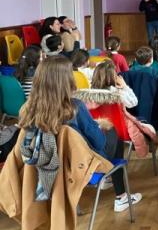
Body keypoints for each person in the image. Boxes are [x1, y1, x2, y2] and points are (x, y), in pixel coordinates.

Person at [17, 56, 142, 212]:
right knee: (112, 132)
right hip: (78, 164)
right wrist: (99, 127)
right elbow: (98, 142)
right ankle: (121, 196)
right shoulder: (74, 106)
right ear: (66, 79)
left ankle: (74, 196)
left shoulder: (28, 110)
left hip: (46, 165)